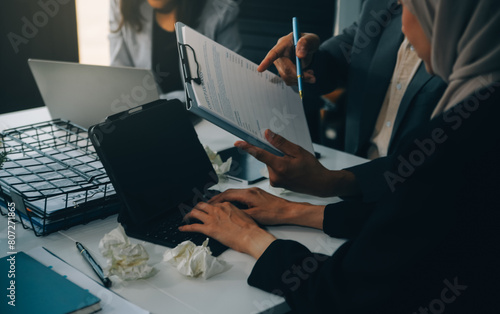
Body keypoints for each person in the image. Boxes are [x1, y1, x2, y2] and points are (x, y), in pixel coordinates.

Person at [179, 0, 500, 312]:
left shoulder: (455, 137)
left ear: (443, 16)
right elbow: (419, 218)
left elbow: (345, 292)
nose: (402, 21)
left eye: (410, 6)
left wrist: (250, 237)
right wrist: (294, 211)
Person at [262, 0, 447, 159]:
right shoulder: (384, 5)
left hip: (420, 187)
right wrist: (306, 58)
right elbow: (336, 60)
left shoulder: (466, 30)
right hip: (354, 168)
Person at [109, 0, 242, 99]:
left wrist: (161, 102)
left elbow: (229, 91)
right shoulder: (122, 4)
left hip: (204, 123)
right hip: (145, 116)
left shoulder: (220, 12)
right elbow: (119, 73)